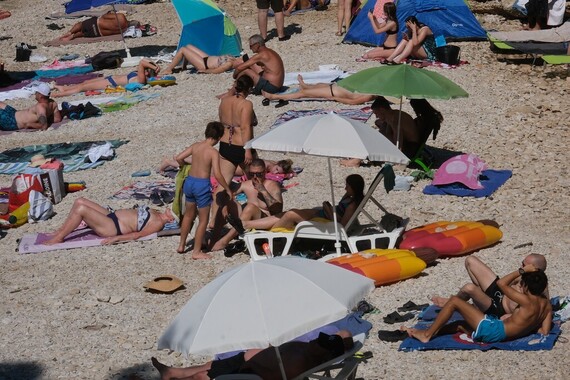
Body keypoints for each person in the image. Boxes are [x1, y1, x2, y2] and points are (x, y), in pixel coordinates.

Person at [403, 265, 552, 344]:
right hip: (500, 335)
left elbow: (501, 283)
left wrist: (522, 270)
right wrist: (524, 327)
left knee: (455, 301)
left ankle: (426, 334)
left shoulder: (526, 301)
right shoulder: (547, 306)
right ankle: (429, 332)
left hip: (493, 330)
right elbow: (544, 331)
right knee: (460, 325)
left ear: (525, 286)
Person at [150, 330, 354, 380]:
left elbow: (275, 374)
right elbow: (346, 334)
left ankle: (174, 375)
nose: (316, 339)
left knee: (205, 375)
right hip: (250, 361)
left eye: (320, 342)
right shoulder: (309, 352)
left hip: (250, 371)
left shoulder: (299, 361)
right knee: (211, 365)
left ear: (325, 354)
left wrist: (252, 364)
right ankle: (173, 372)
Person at [227, 174, 364, 233]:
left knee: (291, 214)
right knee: (288, 213)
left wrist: (328, 209)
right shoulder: (350, 197)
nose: (345, 188)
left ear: (354, 188)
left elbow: (341, 226)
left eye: (348, 186)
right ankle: (248, 225)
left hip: (326, 218)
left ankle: (246, 225)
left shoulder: (352, 205)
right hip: (320, 213)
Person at [175, 122, 233, 259]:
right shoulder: (213, 152)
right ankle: (196, 252)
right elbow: (218, 174)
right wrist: (227, 188)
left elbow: (178, 157)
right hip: (201, 185)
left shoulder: (196, 146)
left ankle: (181, 245)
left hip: (189, 182)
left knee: (188, 215)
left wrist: (182, 166)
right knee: (203, 220)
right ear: (219, 137)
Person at [208, 76, 257, 232]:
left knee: (222, 185)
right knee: (255, 180)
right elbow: (245, 128)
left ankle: (212, 220)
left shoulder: (224, 101)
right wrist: (248, 149)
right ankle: (258, 212)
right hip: (241, 146)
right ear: (248, 89)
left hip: (225, 145)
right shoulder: (246, 104)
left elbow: (222, 121)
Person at [431, 254, 548, 318]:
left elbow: (542, 308)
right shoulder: (522, 274)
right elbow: (502, 283)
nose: (521, 265)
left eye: (524, 264)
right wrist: (521, 272)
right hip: (499, 291)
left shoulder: (539, 285)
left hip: (498, 308)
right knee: (470, 260)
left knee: (468, 287)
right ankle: (472, 300)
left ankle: (453, 303)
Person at [340, 96, 440, 166]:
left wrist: (397, 158)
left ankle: (356, 160)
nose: (376, 116)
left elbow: (398, 140)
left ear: (382, 109)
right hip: (411, 144)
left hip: (409, 148)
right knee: (378, 129)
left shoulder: (395, 119)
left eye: (377, 113)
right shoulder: (393, 115)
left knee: (375, 138)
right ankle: (358, 156)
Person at [210, 159, 284, 251]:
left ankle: (224, 241)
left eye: (259, 174)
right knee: (229, 201)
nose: (255, 177)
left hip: (265, 223)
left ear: (265, 172)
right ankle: (214, 238)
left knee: (250, 207)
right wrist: (225, 206)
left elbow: (278, 211)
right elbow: (221, 194)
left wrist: (263, 191)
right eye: (252, 174)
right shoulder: (247, 185)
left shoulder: (273, 186)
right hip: (247, 220)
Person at [44, 197, 175, 245]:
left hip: (113, 227)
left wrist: (116, 239)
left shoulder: (158, 223)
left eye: (172, 210)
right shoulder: (156, 212)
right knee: (80, 200)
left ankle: (59, 238)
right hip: (111, 216)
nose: (169, 208)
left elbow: (138, 235)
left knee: (81, 209)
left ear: (171, 219)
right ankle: (60, 231)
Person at [52, 59, 159, 97]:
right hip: (110, 78)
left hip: (111, 83)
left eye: (146, 70)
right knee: (85, 82)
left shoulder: (141, 79)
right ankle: (64, 88)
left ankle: (58, 94)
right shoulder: (141, 75)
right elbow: (144, 62)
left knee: (82, 88)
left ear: (147, 74)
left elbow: (142, 63)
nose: (144, 70)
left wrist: (154, 67)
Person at [262, 74, 376, 105]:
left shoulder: (370, 95)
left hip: (333, 92)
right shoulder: (372, 90)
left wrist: (334, 98)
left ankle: (275, 97)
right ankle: (305, 85)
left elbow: (353, 102)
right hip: (334, 87)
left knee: (303, 93)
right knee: (319, 84)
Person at [58, 11, 138, 41]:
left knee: (81, 25)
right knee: (83, 33)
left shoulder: (121, 17)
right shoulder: (124, 31)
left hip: (96, 23)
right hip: (99, 33)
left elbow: (104, 16)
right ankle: (72, 37)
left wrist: (110, 13)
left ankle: (69, 32)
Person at [161, 44, 237, 75]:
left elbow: (217, 71)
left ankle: (169, 69)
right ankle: (184, 66)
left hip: (204, 65)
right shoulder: (234, 59)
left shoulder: (229, 64)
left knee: (182, 50)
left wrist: (205, 71)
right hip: (207, 58)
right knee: (188, 46)